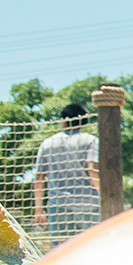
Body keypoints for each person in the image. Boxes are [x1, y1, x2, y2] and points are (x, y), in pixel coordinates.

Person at [33, 102, 99, 241]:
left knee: (62, 252)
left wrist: (38, 209)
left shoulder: (47, 143)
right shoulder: (90, 140)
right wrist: (103, 196)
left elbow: (39, 178)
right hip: (88, 204)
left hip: (58, 205)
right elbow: (92, 170)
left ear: (64, 120)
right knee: (91, 247)